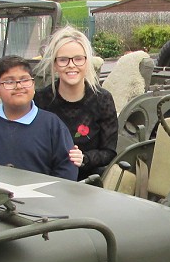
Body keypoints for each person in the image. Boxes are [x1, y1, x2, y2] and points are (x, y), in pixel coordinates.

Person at [0, 54, 77, 180]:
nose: (19, 86)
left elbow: (67, 171)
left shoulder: (52, 125)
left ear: (33, 85)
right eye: (9, 81)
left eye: (25, 80)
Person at [34, 26, 119, 181]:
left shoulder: (102, 99)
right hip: (48, 178)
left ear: (86, 62)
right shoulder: (41, 99)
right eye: (63, 60)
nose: (71, 65)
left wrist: (84, 158)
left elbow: (109, 152)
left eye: (78, 59)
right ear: (54, 64)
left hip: (87, 182)